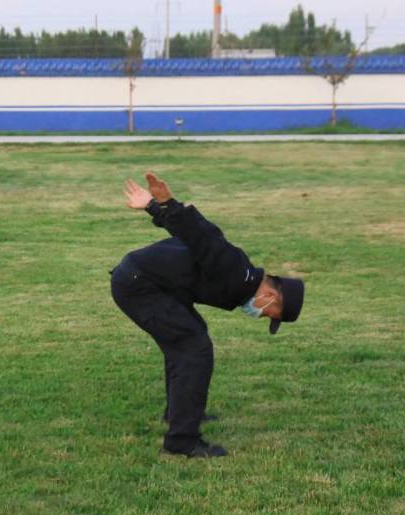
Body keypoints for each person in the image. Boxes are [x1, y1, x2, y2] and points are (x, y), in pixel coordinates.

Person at [110, 173, 305, 459]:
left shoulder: (243, 283)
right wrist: (160, 203)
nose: (262, 316)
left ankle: (180, 414)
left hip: (149, 282)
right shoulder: (238, 273)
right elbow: (202, 234)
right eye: (270, 314)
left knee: (190, 336)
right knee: (193, 347)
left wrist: (155, 206)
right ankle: (182, 441)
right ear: (272, 297)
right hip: (139, 285)